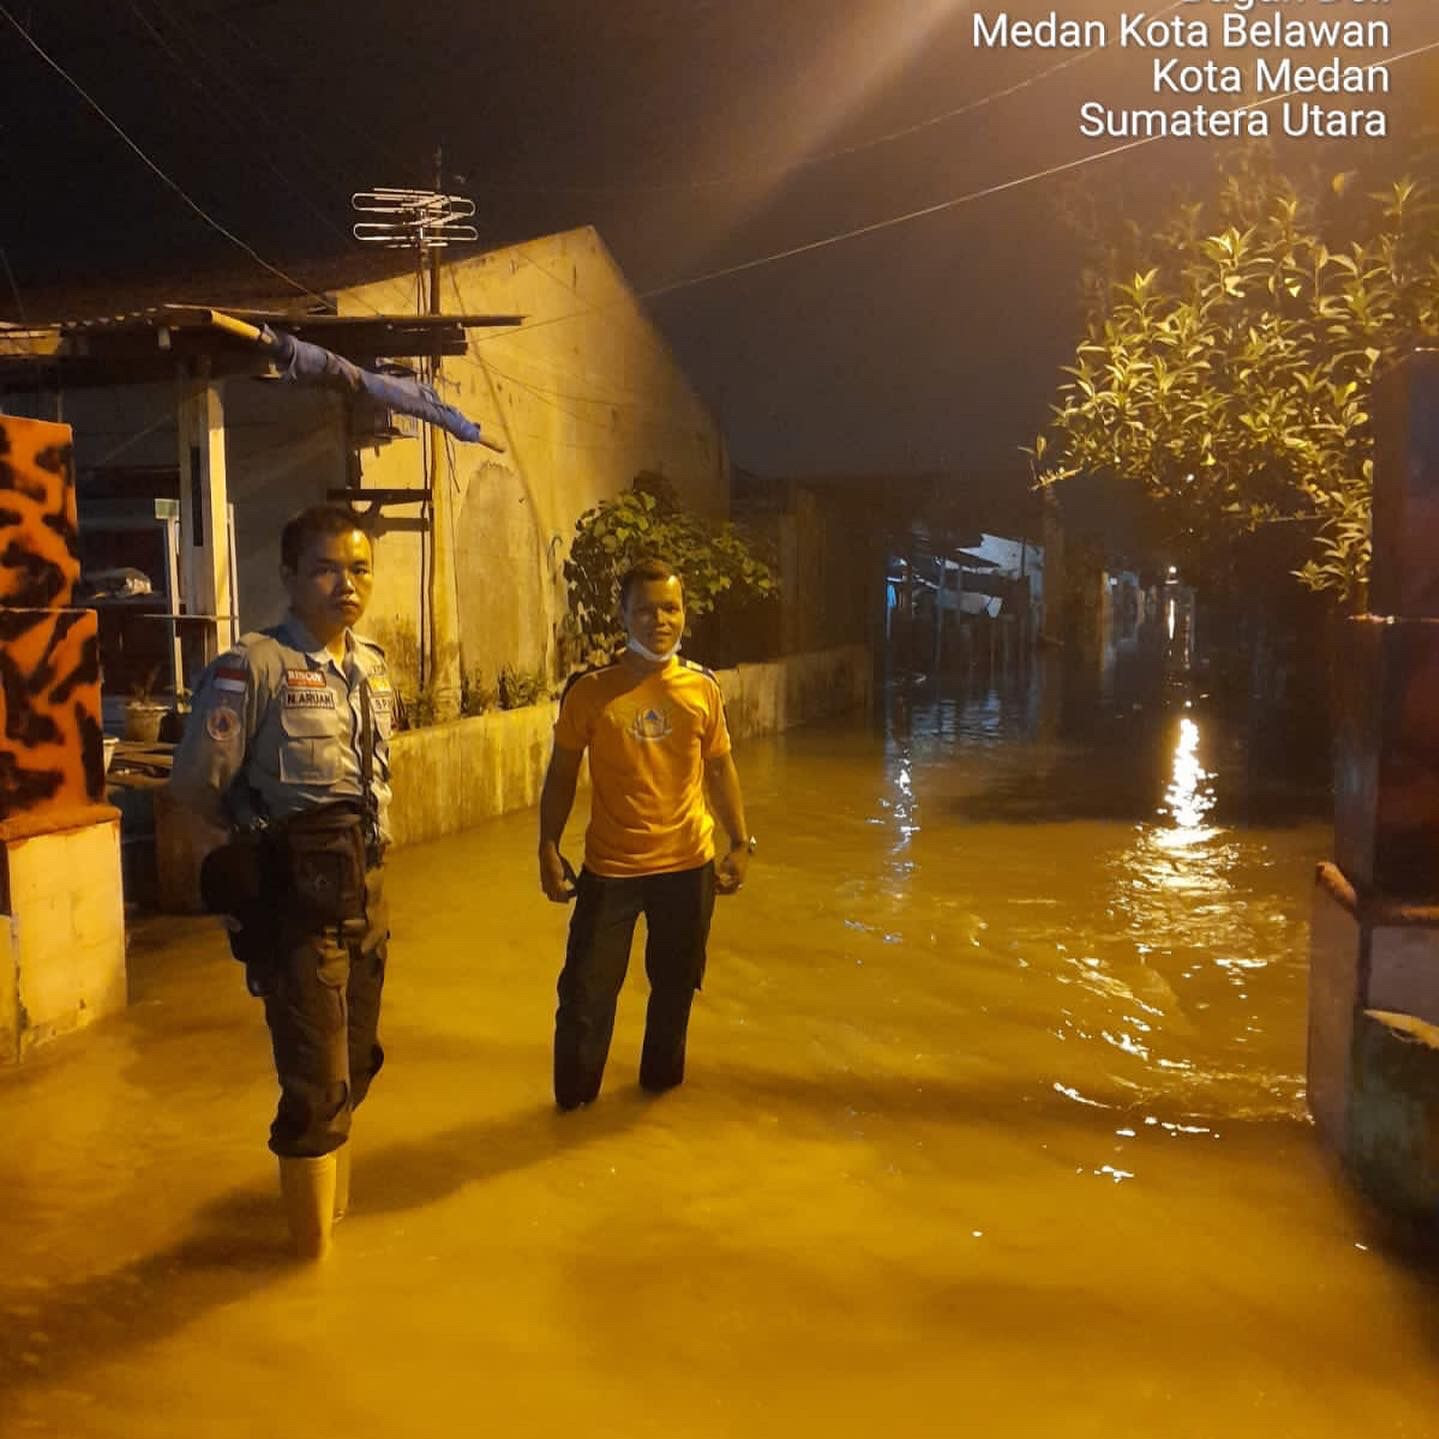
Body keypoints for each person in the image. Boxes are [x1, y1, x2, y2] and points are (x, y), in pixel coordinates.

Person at [168, 504, 396, 1260]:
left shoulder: (372, 665)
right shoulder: (254, 666)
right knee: (312, 1085)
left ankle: (336, 1225)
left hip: (366, 892)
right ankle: (309, 1271)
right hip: (295, 905)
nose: (346, 583)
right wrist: (238, 880)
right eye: (327, 568)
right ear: (292, 575)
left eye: (359, 568)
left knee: (355, 1066)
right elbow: (198, 785)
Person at [538, 556, 754, 1110]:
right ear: (623, 615)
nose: (660, 620)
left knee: (676, 989)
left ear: (684, 613)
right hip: (610, 869)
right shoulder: (589, 691)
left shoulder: (702, 689)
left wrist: (740, 843)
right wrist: (547, 846)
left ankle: (655, 1104)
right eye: (646, 609)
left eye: (671, 608)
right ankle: (573, 1109)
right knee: (586, 995)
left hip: (687, 866)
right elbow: (562, 773)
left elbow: (721, 767)